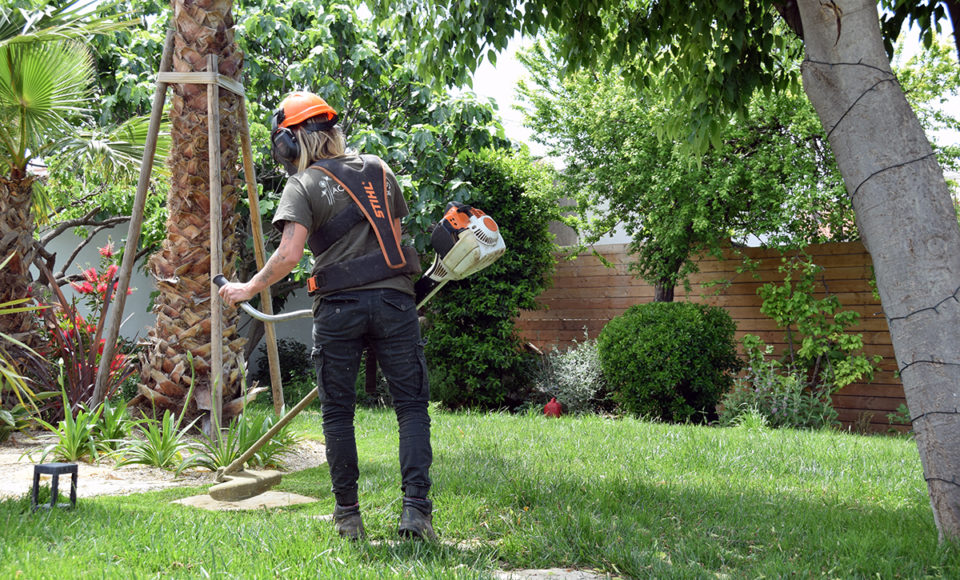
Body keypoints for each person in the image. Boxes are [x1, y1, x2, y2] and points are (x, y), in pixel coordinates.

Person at [218, 91, 435, 541]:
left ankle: (349, 518)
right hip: (395, 302)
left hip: (338, 309)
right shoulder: (380, 169)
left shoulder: (302, 185)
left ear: (290, 143)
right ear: (333, 132)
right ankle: (416, 513)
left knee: (338, 414)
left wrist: (246, 289)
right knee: (412, 408)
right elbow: (393, 242)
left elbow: (288, 255)